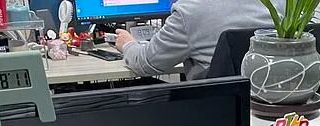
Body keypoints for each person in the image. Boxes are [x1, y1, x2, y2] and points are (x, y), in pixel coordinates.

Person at [115, 0, 281, 80]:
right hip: (276, 121)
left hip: (217, 117)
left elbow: (145, 63)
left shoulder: (191, 9)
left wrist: (128, 44)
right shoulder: (282, 4)